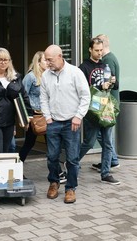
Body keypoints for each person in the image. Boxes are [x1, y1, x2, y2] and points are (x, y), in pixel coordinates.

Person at [40, 44, 90, 204]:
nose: (47, 63)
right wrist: (47, 117)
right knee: (52, 157)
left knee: (72, 158)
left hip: (71, 123)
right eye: (46, 60)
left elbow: (85, 96)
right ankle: (54, 182)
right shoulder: (46, 75)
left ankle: (70, 188)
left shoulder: (75, 73)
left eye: (50, 59)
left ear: (60, 56)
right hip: (53, 122)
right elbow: (43, 98)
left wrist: (78, 116)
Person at [79, 37, 120, 185]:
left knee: (108, 142)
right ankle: (72, 163)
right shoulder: (83, 67)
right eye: (96, 50)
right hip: (91, 109)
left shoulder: (105, 65)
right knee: (89, 141)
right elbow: (81, 90)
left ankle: (105, 173)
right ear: (90, 49)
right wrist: (99, 88)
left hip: (105, 107)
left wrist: (112, 83)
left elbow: (114, 87)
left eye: (101, 50)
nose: (99, 53)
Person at [90, 34, 120, 172]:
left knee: (103, 135)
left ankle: (112, 160)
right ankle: (110, 160)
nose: (99, 52)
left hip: (106, 103)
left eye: (100, 48)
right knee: (105, 135)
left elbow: (113, 83)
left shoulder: (107, 60)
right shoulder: (111, 58)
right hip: (106, 102)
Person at [19, 51, 47, 162]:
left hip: (46, 115)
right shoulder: (30, 77)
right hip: (34, 115)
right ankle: (18, 166)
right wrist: (25, 117)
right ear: (38, 62)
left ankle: (57, 171)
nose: (48, 62)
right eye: (45, 60)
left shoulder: (48, 75)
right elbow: (22, 95)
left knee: (51, 144)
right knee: (29, 143)